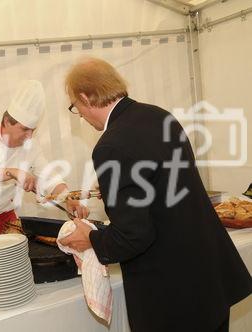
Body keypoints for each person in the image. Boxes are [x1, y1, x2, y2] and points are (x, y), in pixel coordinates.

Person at [59, 57, 251, 332]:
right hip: (208, 277)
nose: (80, 115)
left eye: (75, 108)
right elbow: (166, 184)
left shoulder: (111, 146)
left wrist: (90, 238)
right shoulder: (158, 115)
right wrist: (118, 191)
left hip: (173, 296)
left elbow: (133, 236)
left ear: (85, 97)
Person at [0, 80, 88, 244]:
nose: (29, 136)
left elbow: (48, 176)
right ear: (7, 122)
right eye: (25, 129)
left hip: (6, 221)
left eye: (33, 131)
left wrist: (68, 198)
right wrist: (12, 172)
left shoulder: (31, 146)